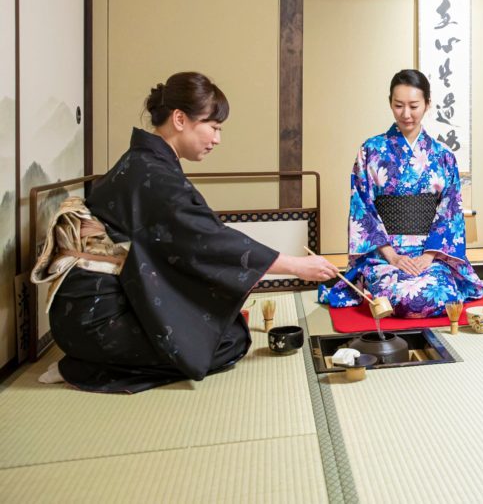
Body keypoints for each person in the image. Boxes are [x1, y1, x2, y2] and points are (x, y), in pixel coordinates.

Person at [32, 72, 337, 393]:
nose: (217, 138)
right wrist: (295, 266)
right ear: (180, 119)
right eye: (213, 127)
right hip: (97, 321)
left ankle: (93, 359)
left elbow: (183, 243)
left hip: (83, 313)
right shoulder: (153, 174)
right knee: (227, 343)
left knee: (227, 329)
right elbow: (207, 240)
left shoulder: (143, 162)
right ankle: (84, 368)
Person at [318, 69, 483, 317]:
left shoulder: (443, 156)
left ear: (427, 104)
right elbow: (362, 209)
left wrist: (428, 257)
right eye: (399, 106)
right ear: (390, 104)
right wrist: (392, 257)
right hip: (385, 254)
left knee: (436, 293)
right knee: (402, 297)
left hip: (431, 254)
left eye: (414, 106)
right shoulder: (371, 150)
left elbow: (450, 213)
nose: (406, 114)